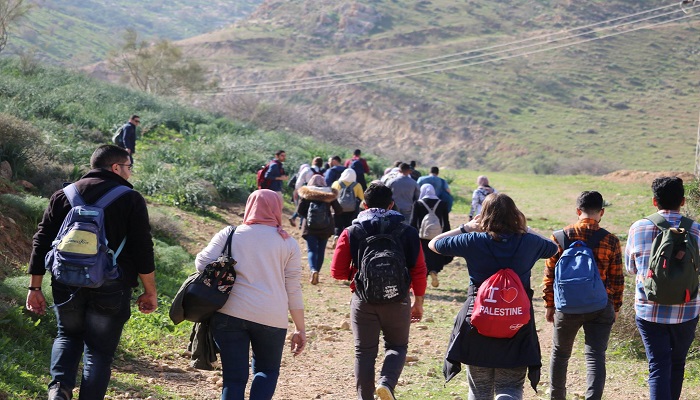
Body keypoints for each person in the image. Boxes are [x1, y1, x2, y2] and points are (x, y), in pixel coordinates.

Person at [25, 145, 157, 400]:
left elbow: (41, 241)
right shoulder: (130, 199)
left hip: (66, 281)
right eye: (129, 167)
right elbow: (142, 248)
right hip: (111, 284)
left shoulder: (63, 195)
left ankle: (59, 391)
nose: (130, 173)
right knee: (98, 351)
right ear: (116, 168)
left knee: (67, 335)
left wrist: (34, 287)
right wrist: (150, 291)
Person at [429, 193, 558, 399]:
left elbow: (434, 243)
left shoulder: (472, 240)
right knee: (511, 385)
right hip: (516, 322)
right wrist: (527, 229)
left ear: (484, 215)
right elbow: (553, 248)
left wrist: (466, 228)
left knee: (479, 388)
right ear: (515, 215)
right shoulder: (528, 242)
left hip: (478, 319)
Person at [196, 189, 306, 400]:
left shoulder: (229, 233)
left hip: (229, 312)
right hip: (271, 317)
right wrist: (300, 329)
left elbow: (202, 263)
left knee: (233, 378)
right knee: (267, 371)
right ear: (277, 208)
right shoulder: (288, 243)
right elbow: (293, 288)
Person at [330, 182, 427, 400]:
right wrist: (418, 301)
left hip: (364, 300)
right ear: (392, 204)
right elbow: (419, 269)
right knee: (397, 346)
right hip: (398, 299)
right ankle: (386, 382)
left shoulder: (352, 231)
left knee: (364, 353)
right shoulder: (407, 231)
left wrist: (361, 276)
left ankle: (365, 397)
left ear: (364, 204)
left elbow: (337, 271)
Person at [543, 191, 624, 400]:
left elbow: (550, 275)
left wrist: (550, 305)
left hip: (567, 305)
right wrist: (615, 307)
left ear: (578, 211)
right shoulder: (611, 240)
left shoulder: (559, 237)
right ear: (602, 212)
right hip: (600, 305)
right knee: (595, 357)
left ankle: (557, 397)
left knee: (560, 355)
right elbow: (616, 279)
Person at [625, 176, 700, 400]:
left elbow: (630, 268)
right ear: (683, 201)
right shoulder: (696, 230)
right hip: (687, 309)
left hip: (649, 309)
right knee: (677, 363)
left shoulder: (638, 228)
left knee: (658, 364)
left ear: (654, 202)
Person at [296, 175, 342, 285]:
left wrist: (308, 217)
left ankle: (313, 270)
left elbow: (300, 211)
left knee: (311, 250)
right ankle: (318, 272)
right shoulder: (330, 194)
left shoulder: (307, 193)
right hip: (325, 227)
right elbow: (339, 210)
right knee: (321, 250)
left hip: (310, 227)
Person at [409, 184, 451, 288]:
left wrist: (411, 236)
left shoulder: (418, 204)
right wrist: (446, 234)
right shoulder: (442, 204)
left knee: (423, 257)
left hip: (423, 236)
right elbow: (445, 221)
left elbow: (413, 222)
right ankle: (434, 271)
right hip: (437, 235)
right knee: (435, 255)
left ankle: (424, 277)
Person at [331, 168, 365, 248]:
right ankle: (347, 241)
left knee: (338, 225)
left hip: (338, 208)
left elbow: (332, 195)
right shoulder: (357, 185)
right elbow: (361, 198)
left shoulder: (336, 183)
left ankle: (336, 237)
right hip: (351, 210)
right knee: (348, 225)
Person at [289, 163, 311, 228]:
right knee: (304, 207)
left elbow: (290, 184)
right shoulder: (309, 174)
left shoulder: (297, 175)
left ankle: (295, 218)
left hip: (298, 192)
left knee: (301, 206)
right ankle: (301, 224)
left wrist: (295, 189)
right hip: (305, 192)